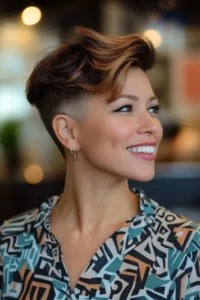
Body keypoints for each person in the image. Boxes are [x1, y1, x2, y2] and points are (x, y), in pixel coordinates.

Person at [0, 26, 199, 299]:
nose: (153, 126)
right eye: (125, 108)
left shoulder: (187, 251)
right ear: (68, 132)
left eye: (152, 109)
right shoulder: (8, 245)